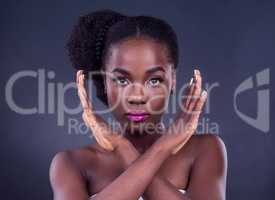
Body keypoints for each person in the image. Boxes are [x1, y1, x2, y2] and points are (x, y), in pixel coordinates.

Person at [49, 9, 227, 200]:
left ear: (173, 80)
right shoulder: (72, 163)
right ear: (105, 81)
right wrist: (129, 147)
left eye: (154, 80)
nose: (137, 97)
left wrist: (145, 149)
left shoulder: (205, 150)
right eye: (122, 80)